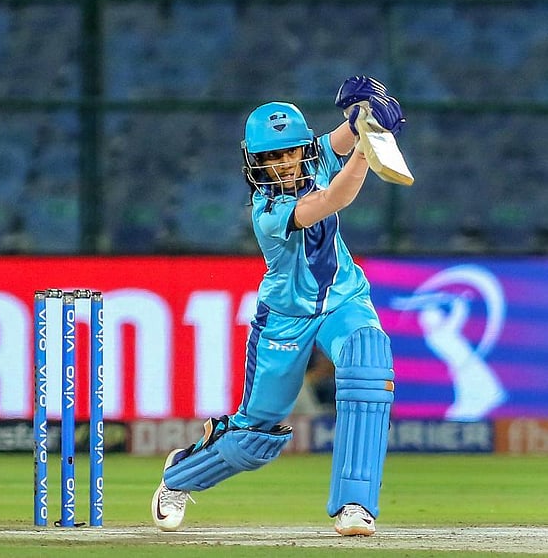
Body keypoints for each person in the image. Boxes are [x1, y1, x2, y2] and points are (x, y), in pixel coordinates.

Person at [151, 76, 405, 536]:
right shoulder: (267, 212)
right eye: (272, 157)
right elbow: (332, 199)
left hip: (344, 299)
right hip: (285, 318)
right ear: (256, 163)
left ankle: (355, 504)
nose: (284, 163)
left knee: (369, 362)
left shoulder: (318, 155)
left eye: (290, 152)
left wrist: (368, 114)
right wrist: (367, 151)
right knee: (253, 439)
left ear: (303, 148)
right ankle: (180, 476)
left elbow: (347, 132)